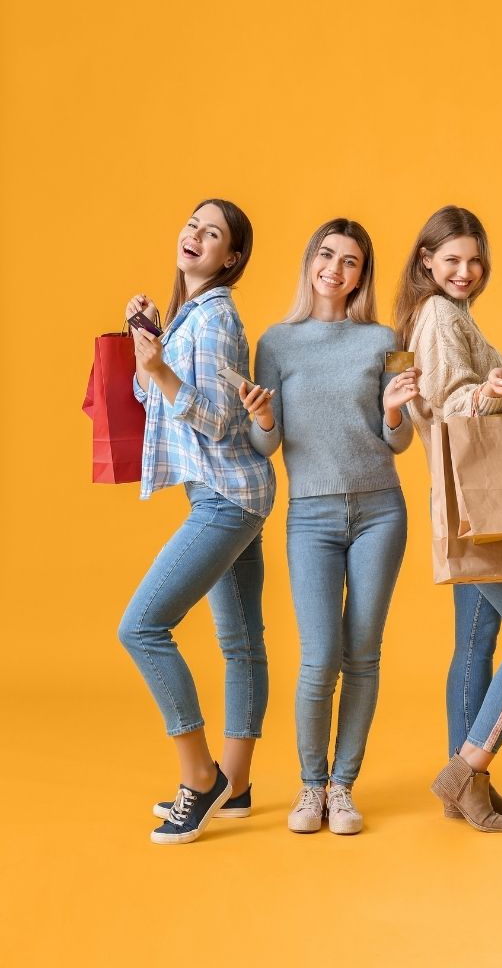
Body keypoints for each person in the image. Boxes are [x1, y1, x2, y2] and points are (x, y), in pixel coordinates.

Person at [241, 218, 418, 834]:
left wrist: (395, 411)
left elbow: (399, 440)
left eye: (351, 262)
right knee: (319, 658)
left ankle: (343, 788)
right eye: (327, 255)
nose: (335, 270)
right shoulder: (276, 342)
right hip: (311, 514)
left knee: (361, 655)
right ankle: (310, 786)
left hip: (380, 511)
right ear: (310, 261)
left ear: (361, 275)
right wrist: (262, 417)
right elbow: (267, 443)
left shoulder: (381, 339)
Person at [394, 205, 502, 833]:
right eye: (451, 260)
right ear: (426, 262)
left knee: (475, 642)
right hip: (478, 507)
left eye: (474, 260)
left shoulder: (451, 313)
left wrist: (496, 384)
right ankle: (466, 768)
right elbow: (441, 404)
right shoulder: (439, 315)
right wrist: (489, 393)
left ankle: (470, 791)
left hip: (462, 500)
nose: (465, 270)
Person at [118, 198, 275, 845]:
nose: (196, 236)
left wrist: (158, 366)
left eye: (213, 234)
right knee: (239, 644)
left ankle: (201, 778)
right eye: (193, 224)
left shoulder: (215, 321)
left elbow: (218, 420)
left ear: (230, 257)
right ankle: (234, 788)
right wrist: (146, 347)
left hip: (225, 497)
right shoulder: (190, 316)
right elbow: (148, 396)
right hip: (231, 492)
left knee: (143, 627)